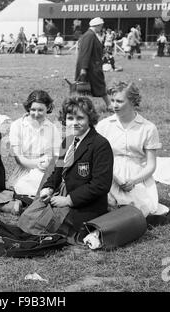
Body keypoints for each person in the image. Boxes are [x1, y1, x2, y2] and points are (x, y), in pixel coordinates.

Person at [18, 97, 113, 241]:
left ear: (90, 119)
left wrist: (69, 200)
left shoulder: (100, 145)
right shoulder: (68, 141)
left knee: (35, 225)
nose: (75, 123)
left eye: (80, 118)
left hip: (83, 205)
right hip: (59, 195)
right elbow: (58, 171)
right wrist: (49, 187)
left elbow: (101, 185)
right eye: (70, 118)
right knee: (25, 219)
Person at [96, 81, 170, 218]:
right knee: (104, 205)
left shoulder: (148, 128)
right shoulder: (103, 126)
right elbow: (98, 159)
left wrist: (133, 181)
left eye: (119, 101)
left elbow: (151, 165)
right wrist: (113, 177)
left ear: (132, 101)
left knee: (141, 209)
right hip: (109, 172)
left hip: (137, 175)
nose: (114, 105)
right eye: (112, 100)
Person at [7, 90, 61, 198]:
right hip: (24, 171)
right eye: (33, 109)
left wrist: (48, 164)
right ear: (28, 108)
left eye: (40, 110)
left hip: (46, 171)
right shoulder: (17, 125)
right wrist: (40, 163)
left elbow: (56, 157)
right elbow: (20, 159)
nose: (36, 114)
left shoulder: (52, 128)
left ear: (48, 108)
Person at [75, 17, 110, 109]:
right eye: (101, 26)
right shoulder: (89, 35)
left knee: (91, 88)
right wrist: (83, 68)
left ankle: (82, 107)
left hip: (92, 65)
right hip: (90, 67)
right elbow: (85, 52)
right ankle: (109, 105)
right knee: (93, 87)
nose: (102, 28)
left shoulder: (91, 35)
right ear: (98, 25)